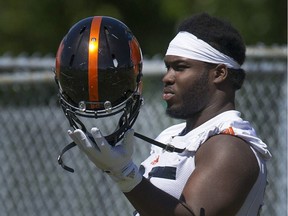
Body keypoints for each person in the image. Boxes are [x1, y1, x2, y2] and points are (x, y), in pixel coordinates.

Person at [56, 13, 272, 216]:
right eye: (168, 67)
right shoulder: (172, 135)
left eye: (180, 67)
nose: (167, 78)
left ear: (219, 73)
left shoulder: (229, 145)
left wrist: (125, 175)